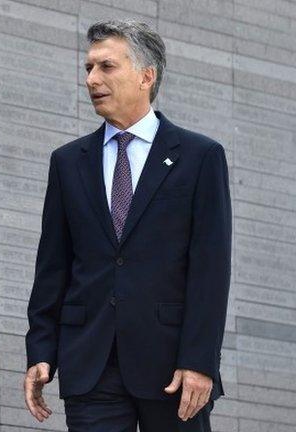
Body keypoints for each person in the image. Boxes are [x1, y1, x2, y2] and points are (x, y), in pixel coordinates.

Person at [24, 20, 231, 432]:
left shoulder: (199, 157)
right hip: (91, 363)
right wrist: (41, 351)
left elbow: (211, 270)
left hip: (172, 367)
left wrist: (198, 361)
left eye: (106, 67)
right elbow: (53, 267)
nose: (92, 79)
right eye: (88, 68)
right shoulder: (68, 162)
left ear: (146, 76)